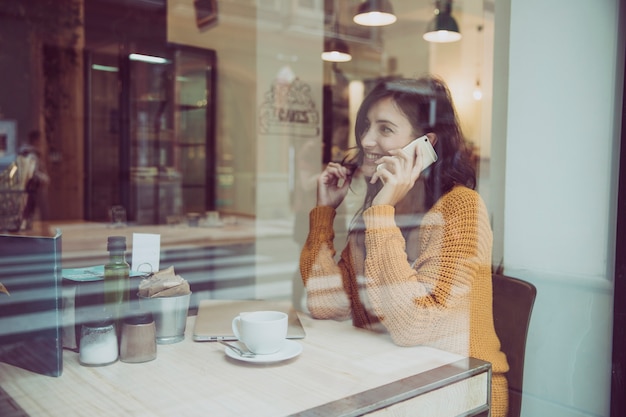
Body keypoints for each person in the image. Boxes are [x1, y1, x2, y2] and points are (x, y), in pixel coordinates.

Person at [299, 76, 509, 417]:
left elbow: (415, 326)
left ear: (424, 144)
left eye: (385, 129)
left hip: (463, 392)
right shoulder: (380, 208)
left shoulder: (461, 208)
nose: (366, 140)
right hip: (391, 378)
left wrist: (381, 213)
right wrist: (325, 214)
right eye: (367, 126)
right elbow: (327, 304)